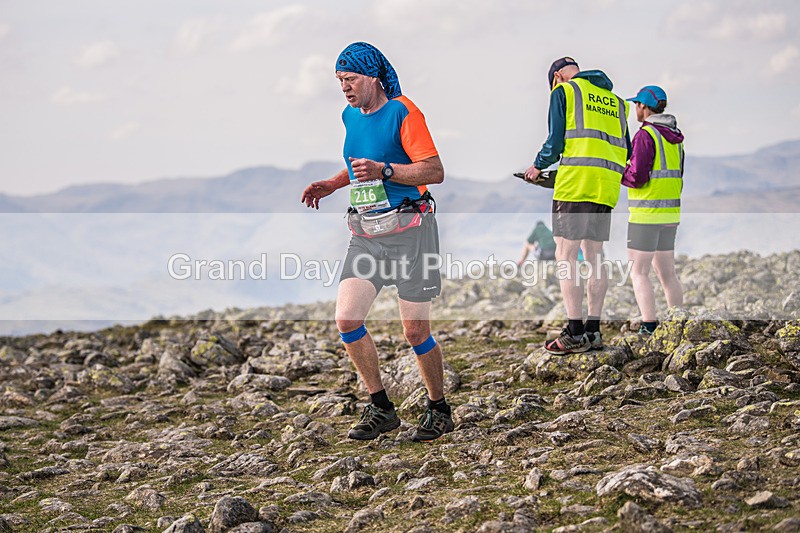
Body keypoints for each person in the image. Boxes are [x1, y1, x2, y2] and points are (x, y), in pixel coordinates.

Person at [300, 42, 453, 442]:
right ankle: (381, 407)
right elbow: (359, 164)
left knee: (415, 332)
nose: (345, 89)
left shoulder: (404, 111)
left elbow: (433, 171)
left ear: (372, 77)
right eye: (339, 82)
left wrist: (385, 170)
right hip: (367, 235)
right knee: (347, 320)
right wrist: (334, 183)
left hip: (411, 234)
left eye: (349, 79)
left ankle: (438, 409)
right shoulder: (349, 115)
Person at [524, 57, 631, 354]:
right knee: (595, 255)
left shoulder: (566, 92)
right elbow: (627, 149)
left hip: (575, 186)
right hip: (605, 186)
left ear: (557, 76)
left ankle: (574, 331)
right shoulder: (617, 103)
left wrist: (536, 167)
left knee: (566, 255)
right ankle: (593, 332)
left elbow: (556, 142)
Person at [622, 85, 685, 335]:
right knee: (668, 274)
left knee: (639, 272)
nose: (635, 108)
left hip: (646, 214)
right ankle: (677, 324)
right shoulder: (676, 137)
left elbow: (637, 177)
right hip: (670, 214)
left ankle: (649, 326)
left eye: (637, 104)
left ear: (644, 107)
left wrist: (619, 172)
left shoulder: (646, 135)